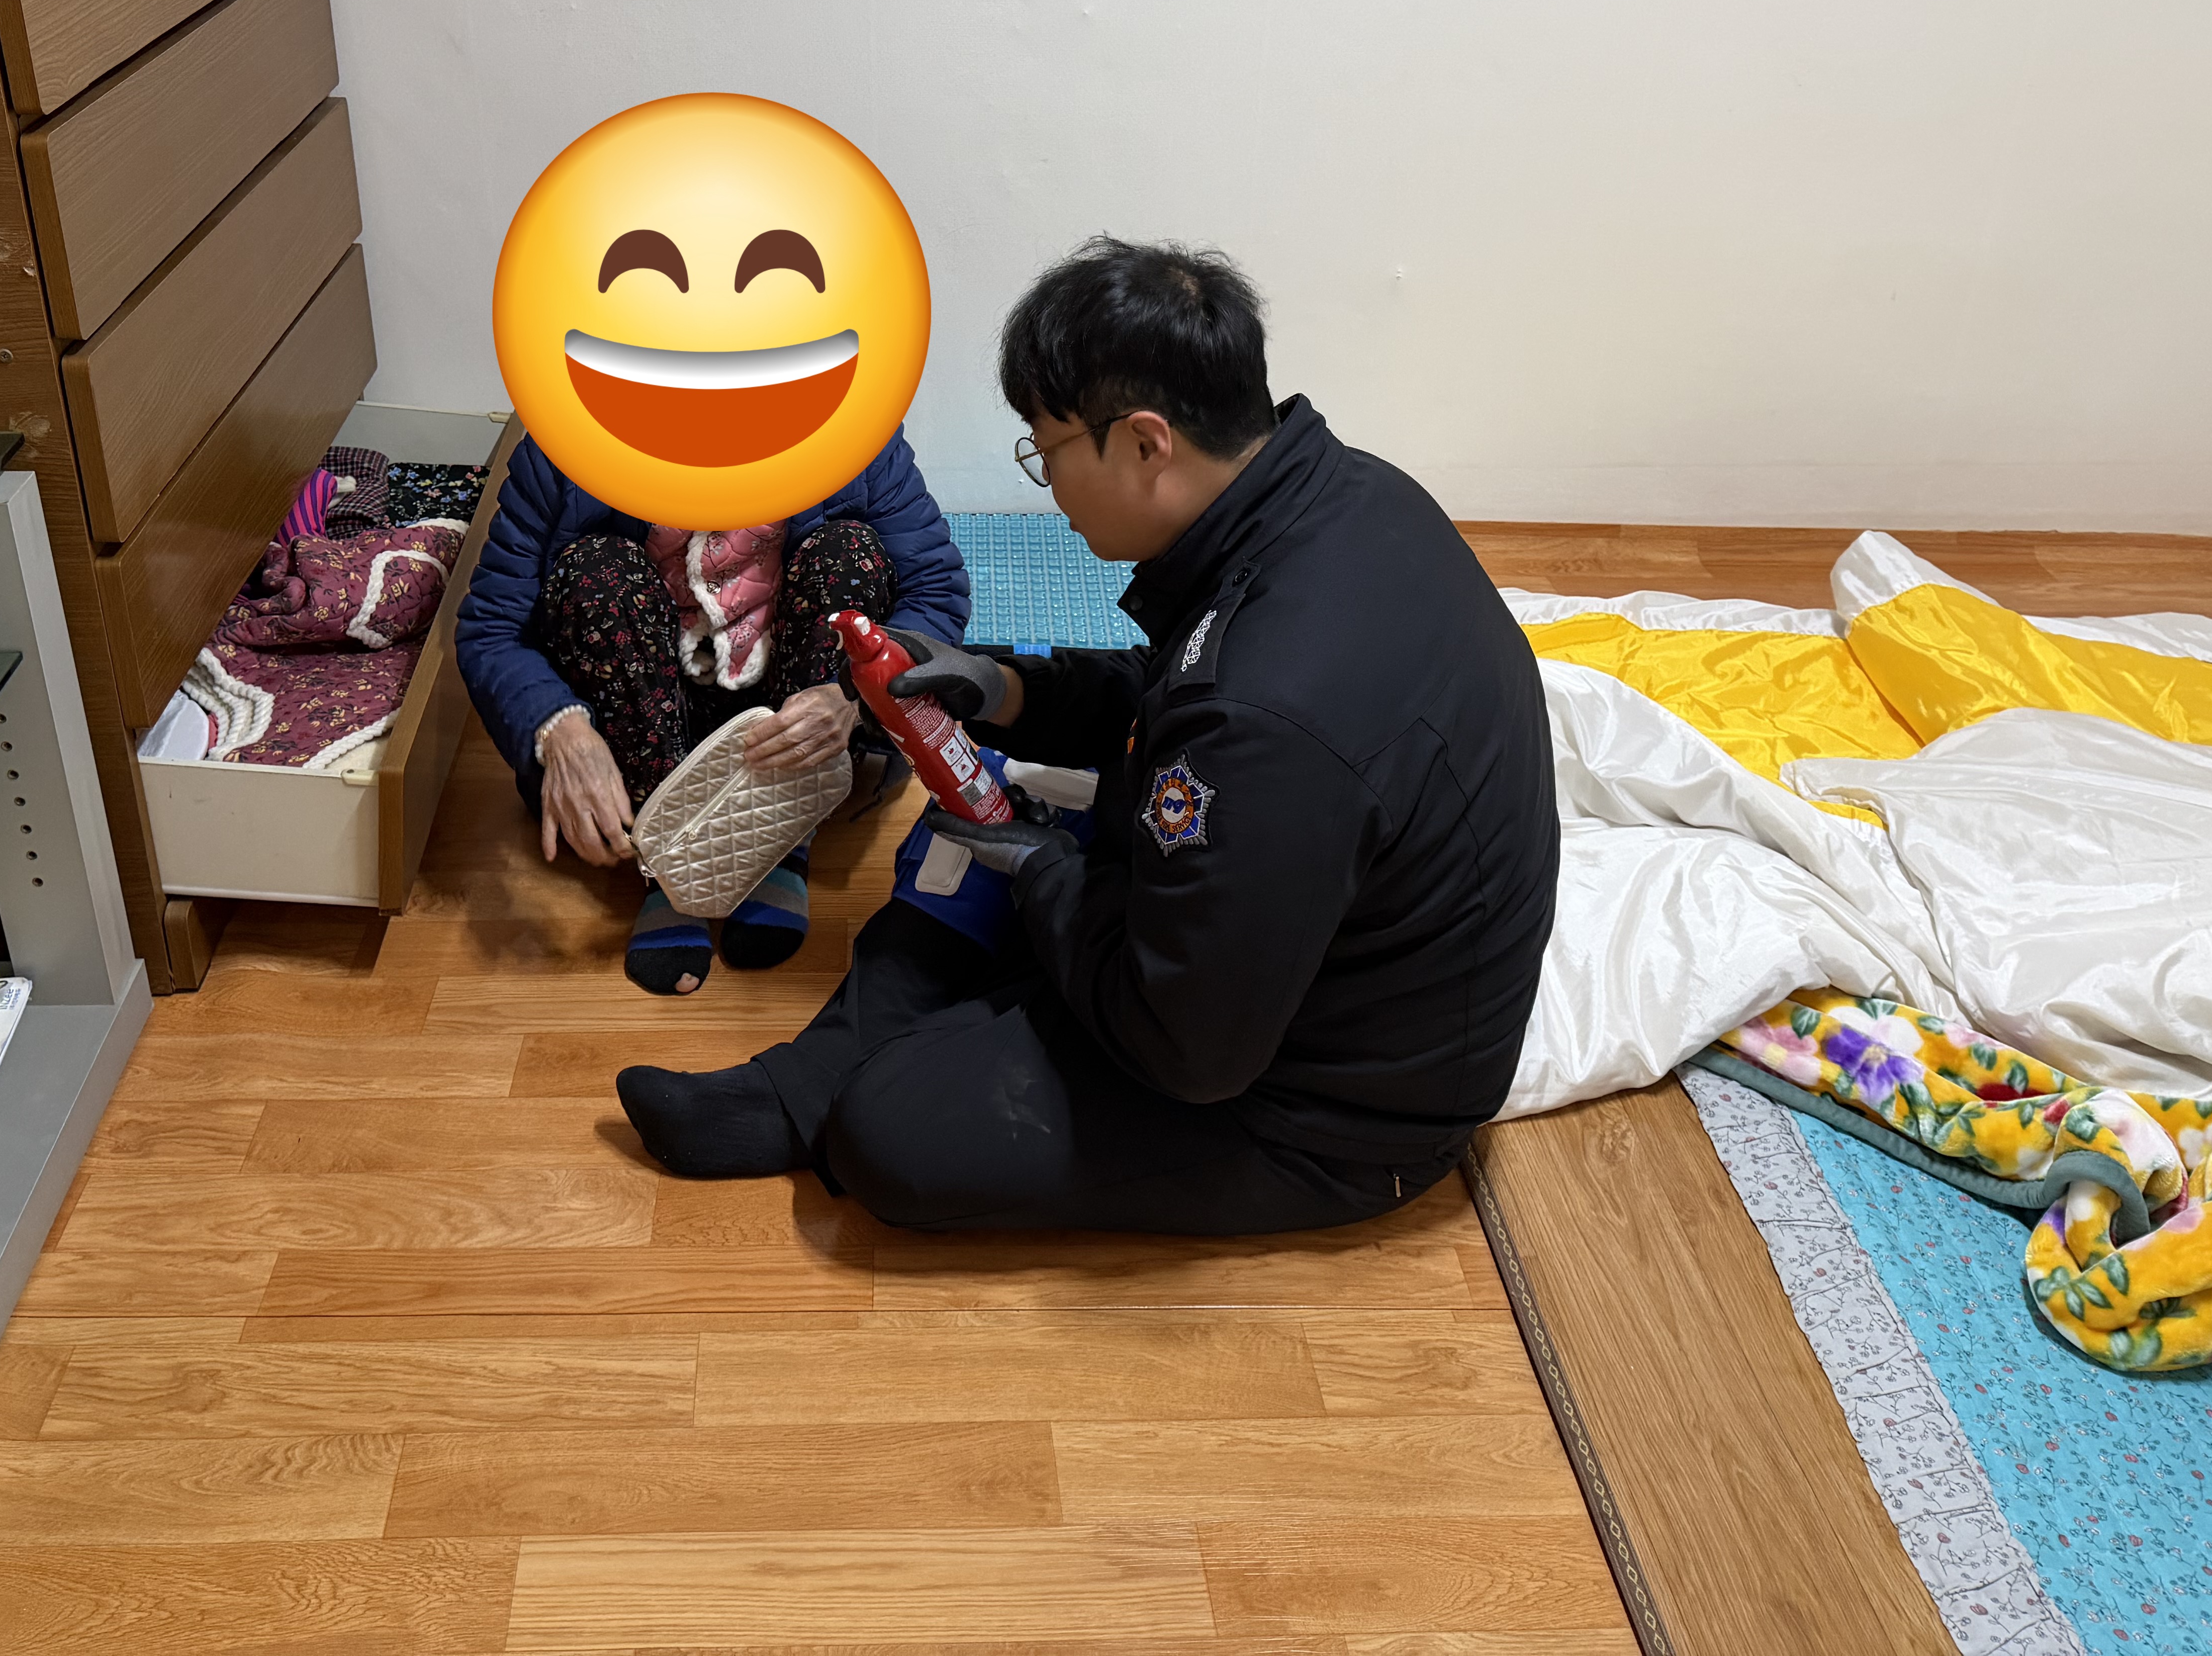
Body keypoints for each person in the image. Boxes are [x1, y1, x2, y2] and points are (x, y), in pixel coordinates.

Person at [614, 237, 1559, 1233]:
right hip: (1277, 953)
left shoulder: (1265, 717)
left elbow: (1190, 1047)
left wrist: (1042, 875)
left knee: (887, 1126)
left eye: (1047, 450)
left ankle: (841, 1079)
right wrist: (1002, 687)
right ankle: (809, 1077)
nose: (1048, 485)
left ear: (1147, 443)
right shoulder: (1336, 495)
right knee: (975, 795)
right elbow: (1174, 690)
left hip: (1330, 1108)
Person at [456, 430, 971, 995]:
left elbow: (934, 591)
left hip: (791, 701)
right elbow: (493, 628)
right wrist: (560, 728)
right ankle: (671, 859)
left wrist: (851, 696)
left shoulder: (856, 429)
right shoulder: (564, 439)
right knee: (596, 569)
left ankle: (784, 838)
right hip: (643, 712)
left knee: (846, 551)